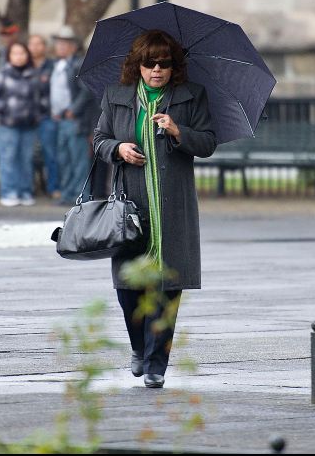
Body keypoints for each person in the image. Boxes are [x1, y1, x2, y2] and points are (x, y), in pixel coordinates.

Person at [94, 30, 217, 388]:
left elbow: (208, 143)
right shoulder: (116, 96)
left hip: (172, 206)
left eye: (164, 64)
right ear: (138, 66)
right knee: (128, 287)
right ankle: (139, 347)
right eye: (150, 64)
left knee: (167, 285)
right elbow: (99, 139)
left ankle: (156, 364)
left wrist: (179, 131)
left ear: (174, 67)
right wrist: (118, 149)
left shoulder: (191, 96)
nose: (157, 70)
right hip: (130, 205)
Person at [0, 42, 45, 207]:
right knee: (8, 158)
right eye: (15, 53)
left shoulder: (34, 75)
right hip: (7, 124)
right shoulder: (2, 74)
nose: (19, 57)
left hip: (28, 124)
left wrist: (37, 114)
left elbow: (41, 98)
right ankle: (8, 191)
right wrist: (5, 108)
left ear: (27, 55)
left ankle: (25, 191)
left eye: (22, 53)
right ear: (9, 56)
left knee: (26, 159)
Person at [50, 25, 94, 205]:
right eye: (59, 43)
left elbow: (86, 91)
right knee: (64, 158)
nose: (60, 46)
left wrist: (73, 110)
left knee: (78, 159)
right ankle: (68, 193)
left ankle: (81, 195)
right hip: (61, 119)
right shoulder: (59, 65)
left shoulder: (78, 64)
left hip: (75, 120)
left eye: (65, 43)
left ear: (73, 47)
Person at [28, 33, 59, 199]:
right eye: (32, 44)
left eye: (38, 44)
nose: (35, 47)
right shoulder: (23, 65)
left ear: (44, 47)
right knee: (28, 155)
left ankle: (53, 187)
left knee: (51, 154)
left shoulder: (52, 66)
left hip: (47, 116)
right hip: (27, 118)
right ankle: (29, 187)